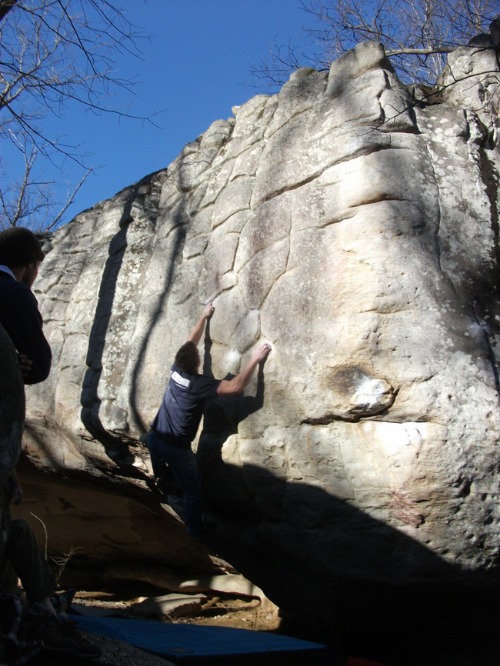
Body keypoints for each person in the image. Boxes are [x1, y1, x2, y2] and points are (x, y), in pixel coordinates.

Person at [0, 227, 100, 658]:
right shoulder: (14, 293)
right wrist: (23, 363)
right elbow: (39, 364)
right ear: (30, 265)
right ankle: (29, 620)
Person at [146, 302, 271, 537]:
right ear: (196, 364)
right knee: (193, 491)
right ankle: (195, 530)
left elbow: (190, 341)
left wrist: (204, 317)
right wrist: (255, 360)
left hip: (154, 438)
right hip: (176, 449)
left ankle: (162, 483)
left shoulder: (176, 370)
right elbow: (235, 386)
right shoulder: (198, 384)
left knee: (162, 468)